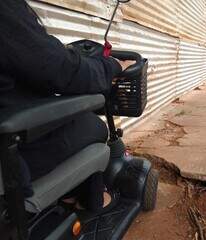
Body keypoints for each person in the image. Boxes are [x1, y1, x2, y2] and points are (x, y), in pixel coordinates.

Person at [0, 0, 135, 211]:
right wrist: (112, 66)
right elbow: (62, 70)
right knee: (95, 126)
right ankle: (92, 201)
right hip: (12, 154)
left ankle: (71, 194)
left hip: (11, 133)